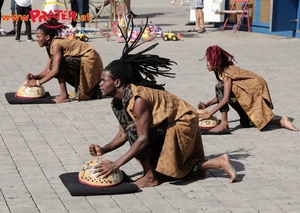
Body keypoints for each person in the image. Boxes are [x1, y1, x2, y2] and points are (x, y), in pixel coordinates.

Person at [88, 19, 237, 188]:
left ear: (116, 83)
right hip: (166, 123)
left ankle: (151, 177)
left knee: (162, 161)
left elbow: (142, 138)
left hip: (182, 121)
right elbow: (122, 134)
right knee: (167, 169)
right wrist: (104, 149)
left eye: (103, 80)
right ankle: (218, 162)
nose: (100, 84)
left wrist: (116, 164)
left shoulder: (138, 100)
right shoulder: (118, 102)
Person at [198, 45, 299, 133]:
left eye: (209, 61)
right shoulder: (219, 70)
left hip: (254, 90)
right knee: (246, 122)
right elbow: (224, 94)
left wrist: (209, 114)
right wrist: (207, 105)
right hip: (245, 92)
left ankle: (224, 124)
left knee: (219, 86)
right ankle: (281, 121)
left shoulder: (226, 73)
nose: (207, 64)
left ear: (216, 62)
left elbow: (226, 98)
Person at [25, 19, 103, 103]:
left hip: (90, 58)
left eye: (39, 37)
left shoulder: (56, 46)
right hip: (85, 58)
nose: (37, 39)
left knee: (58, 64)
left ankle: (64, 96)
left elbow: (55, 70)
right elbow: (48, 70)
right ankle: (85, 90)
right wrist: (35, 77)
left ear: (47, 37)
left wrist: (37, 83)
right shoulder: (50, 45)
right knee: (54, 63)